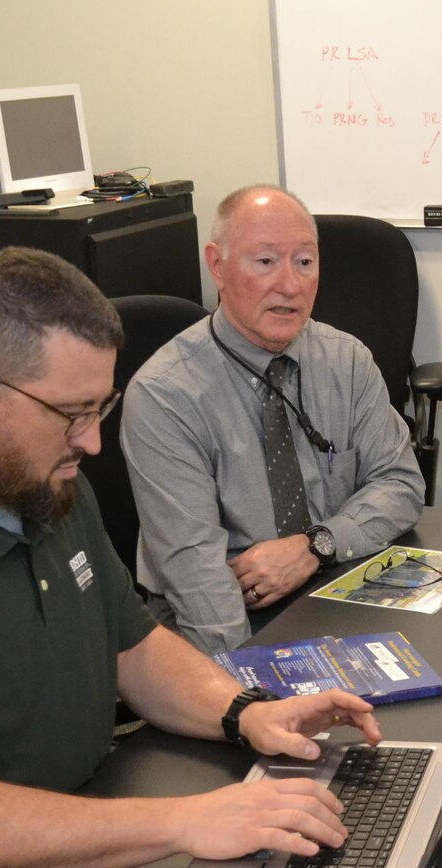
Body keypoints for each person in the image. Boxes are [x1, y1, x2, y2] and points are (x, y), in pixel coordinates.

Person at [0, 247, 380, 868]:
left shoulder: (42, 485)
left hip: (82, 835)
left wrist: (246, 714)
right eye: (72, 413)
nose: (92, 443)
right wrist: (188, 820)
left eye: (100, 407)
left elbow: (133, 646)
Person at [122, 184, 424, 655]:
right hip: (225, 620)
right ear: (217, 265)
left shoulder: (347, 361)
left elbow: (401, 484)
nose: (290, 284)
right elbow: (197, 578)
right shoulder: (165, 394)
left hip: (332, 584)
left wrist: (315, 546)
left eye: (305, 262)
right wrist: (251, 691)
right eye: (265, 262)